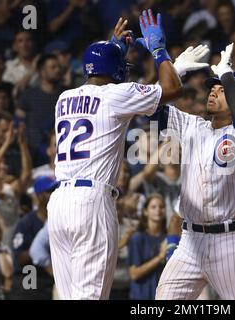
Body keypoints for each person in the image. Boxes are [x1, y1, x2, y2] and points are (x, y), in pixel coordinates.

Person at [47, 10, 182, 300]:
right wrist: (158, 50)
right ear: (117, 70)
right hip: (91, 202)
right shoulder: (116, 94)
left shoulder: (63, 98)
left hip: (58, 203)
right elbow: (173, 88)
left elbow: (99, 80)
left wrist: (111, 50)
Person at [155, 43, 235, 300]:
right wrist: (172, 69)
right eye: (212, 89)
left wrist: (227, 74)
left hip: (230, 242)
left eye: (221, 90)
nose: (213, 93)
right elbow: (151, 109)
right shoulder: (193, 125)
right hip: (190, 241)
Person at [127, 193, 167, 300]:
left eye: (161, 207)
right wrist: (160, 257)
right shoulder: (137, 238)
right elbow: (134, 274)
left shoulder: (168, 238)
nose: (158, 210)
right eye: (153, 207)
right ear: (145, 211)